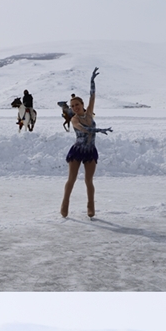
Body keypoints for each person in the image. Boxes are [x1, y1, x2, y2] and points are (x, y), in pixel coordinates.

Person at [61, 67, 112, 219]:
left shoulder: (89, 113)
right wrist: (99, 130)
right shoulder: (74, 119)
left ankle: (90, 206)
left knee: (89, 180)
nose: (75, 107)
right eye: (72, 106)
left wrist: (92, 82)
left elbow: (92, 96)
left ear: (82, 105)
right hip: (77, 151)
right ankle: (65, 203)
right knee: (72, 179)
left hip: (90, 151)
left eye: (77, 104)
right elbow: (83, 129)